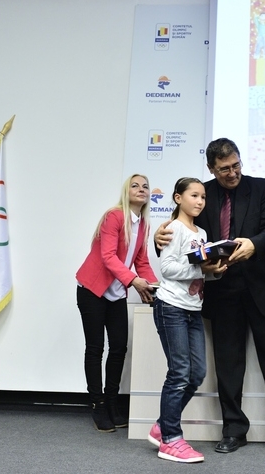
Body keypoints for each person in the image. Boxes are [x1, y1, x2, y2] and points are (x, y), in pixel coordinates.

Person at [154, 138, 265, 456]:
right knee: (228, 367)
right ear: (211, 169)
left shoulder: (260, 187)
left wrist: (254, 244)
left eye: (236, 166)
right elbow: (179, 233)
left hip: (262, 289)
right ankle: (233, 430)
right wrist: (157, 236)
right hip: (221, 291)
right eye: (224, 169)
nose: (232, 173)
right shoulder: (201, 194)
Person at [147, 177, 227, 463]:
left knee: (196, 374)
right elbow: (168, 269)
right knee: (179, 372)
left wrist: (215, 270)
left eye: (203, 197)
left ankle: (162, 425)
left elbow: (198, 273)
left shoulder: (202, 232)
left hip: (192, 309)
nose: (200, 201)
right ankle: (170, 439)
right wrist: (201, 269)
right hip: (171, 307)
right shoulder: (173, 228)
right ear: (178, 198)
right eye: (194, 195)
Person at [75, 174, 157, 432]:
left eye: (145, 186)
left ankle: (112, 401)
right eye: (135, 185)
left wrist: (156, 288)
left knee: (119, 347)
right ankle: (97, 404)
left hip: (116, 292)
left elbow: (142, 262)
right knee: (95, 348)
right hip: (92, 290)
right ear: (126, 191)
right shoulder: (114, 216)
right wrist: (134, 281)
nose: (141, 189)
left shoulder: (143, 224)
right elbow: (108, 256)